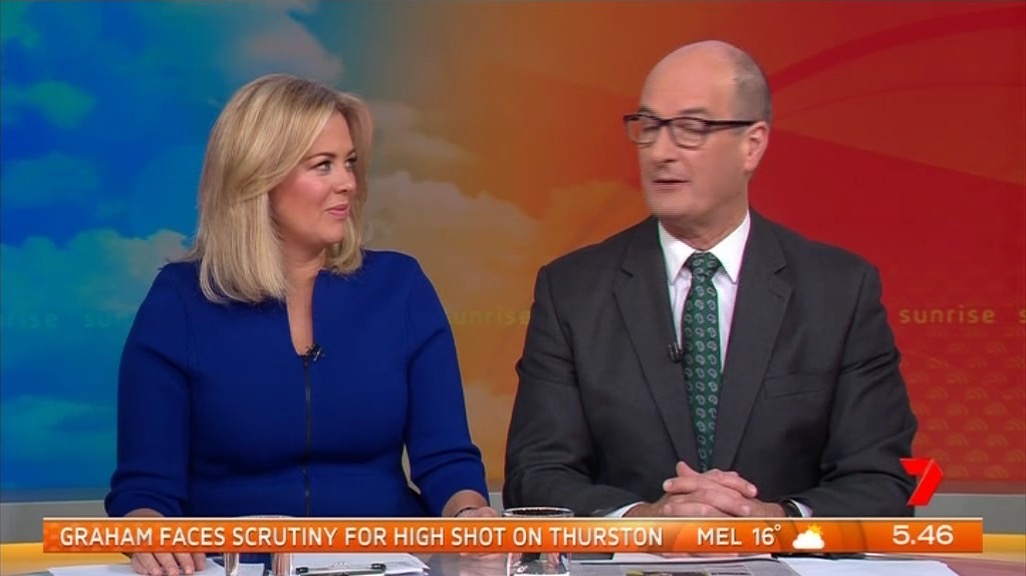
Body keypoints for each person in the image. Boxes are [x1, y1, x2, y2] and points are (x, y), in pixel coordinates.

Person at [503, 40, 917, 520]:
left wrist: (772, 521)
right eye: (649, 126)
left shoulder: (839, 291)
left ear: (752, 144)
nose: (660, 152)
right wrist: (646, 522)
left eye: (690, 129)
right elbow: (536, 475)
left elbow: (881, 482)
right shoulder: (572, 291)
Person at [105, 74, 496, 576]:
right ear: (258, 177)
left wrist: (468, 513)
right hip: (234, 567)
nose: (348, 183)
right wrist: (148, 533)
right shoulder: (180, 301)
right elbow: (145, 490)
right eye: (323, 165)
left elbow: (446, 461)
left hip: (388, 564)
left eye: (350, 163)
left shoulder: (401, 288)